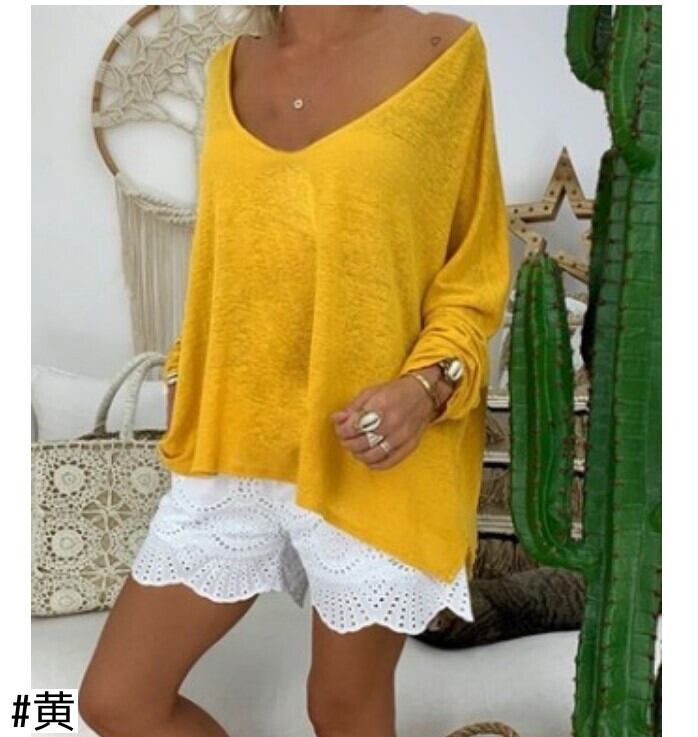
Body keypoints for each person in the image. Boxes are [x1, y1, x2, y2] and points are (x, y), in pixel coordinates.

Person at [79, 5, 511, 737]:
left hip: (373, 445)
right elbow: (228, 253)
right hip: (236, 438)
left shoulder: (444, 51)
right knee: (117, 698)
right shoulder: (229, 65)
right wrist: (188, 368)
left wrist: (426, 387)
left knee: (340, 706)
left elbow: (474, 267)